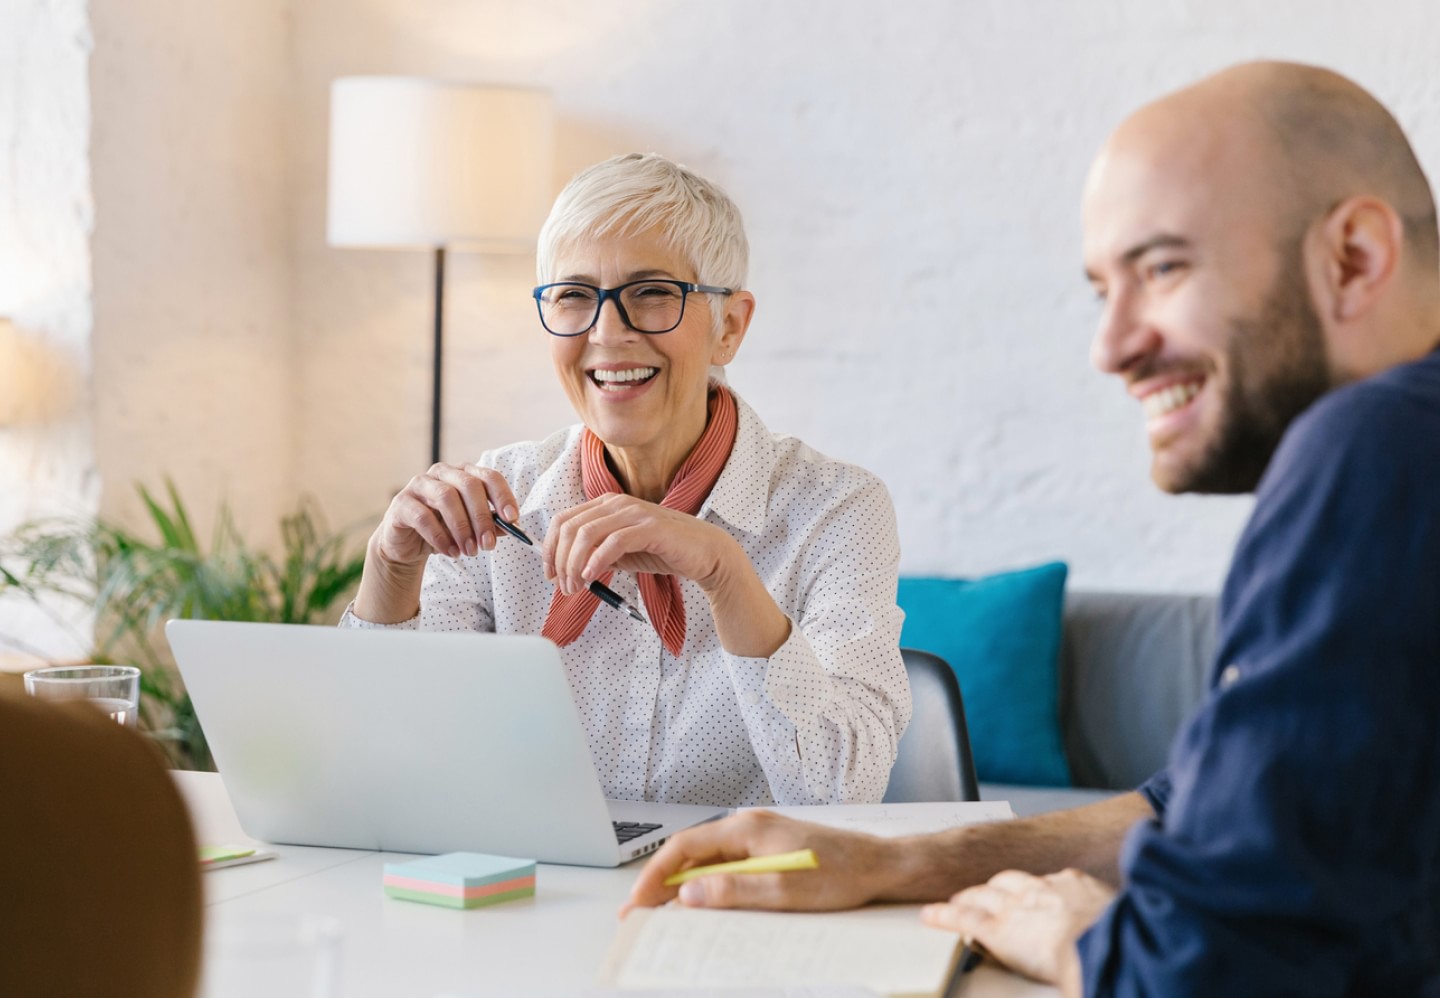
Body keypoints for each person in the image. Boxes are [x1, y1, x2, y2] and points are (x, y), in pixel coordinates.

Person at [627, 62, 1440, 995]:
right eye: (1103, 290)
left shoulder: (1375, 444)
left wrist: (1085, 940)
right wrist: (898, 862)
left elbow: (1208, 970)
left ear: (1355, 259)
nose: (1110, 346)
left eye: (1164, 268)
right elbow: (1190, 808)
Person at [342, 153, 910, 808]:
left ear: (730, 325)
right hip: (530, 895)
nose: (607, 334)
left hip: (732, 901)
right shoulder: (499, 505)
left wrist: (725, 571)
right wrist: (389, 566)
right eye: (575, 297)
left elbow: (844, 795)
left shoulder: (837, 510)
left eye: (652, 294)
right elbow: (378, 770)